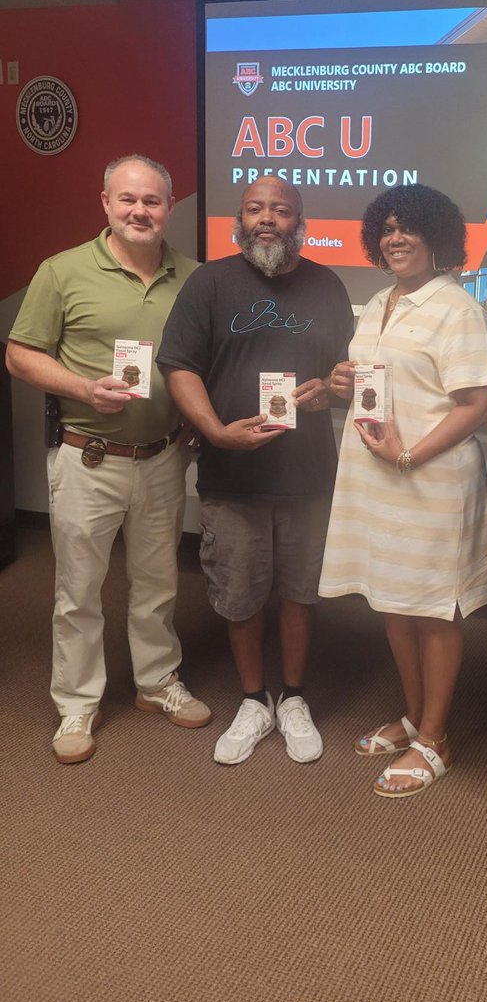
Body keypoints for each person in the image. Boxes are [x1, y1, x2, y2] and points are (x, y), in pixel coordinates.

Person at [6, 155, 211, 763]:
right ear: (105, 203)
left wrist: (200, 421)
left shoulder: (195, 278)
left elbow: (203, 363)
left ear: (168, 207)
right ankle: (76, 704)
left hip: (163, 456)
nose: (139, 211)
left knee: (158, 581)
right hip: (88, 456)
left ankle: (156, 683)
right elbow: (20, 355)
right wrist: (82, 388)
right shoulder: (62, 272)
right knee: (78, 590)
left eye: (151, 201)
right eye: (128, 200)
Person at [157, 176, 353, 765]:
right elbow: (178, 366)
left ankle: (292, 697)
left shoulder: (328, 285)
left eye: (282, 210)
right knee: (239, 595)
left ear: (301, 221)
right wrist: (215, 430)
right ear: (240, 220)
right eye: (256, 209)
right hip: (231, 475)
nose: (268, 218)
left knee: (299, 593)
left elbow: (347, 375)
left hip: (308, 473)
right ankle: (253, 700)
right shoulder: (209, 282)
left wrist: (331, 392)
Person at [319, 184, 487, 798]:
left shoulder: (457, 308)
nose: (396, 237)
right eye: (387, 228)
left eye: (409, 227)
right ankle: (416, 718)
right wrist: (343, 379)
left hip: (430, 479)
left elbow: (476, 404)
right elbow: (377, 382)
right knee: (395, 601)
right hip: (378, 476)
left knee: (434, 609)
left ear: (437, 237)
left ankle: (436, 740)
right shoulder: (378, 303)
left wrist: (409, 453)